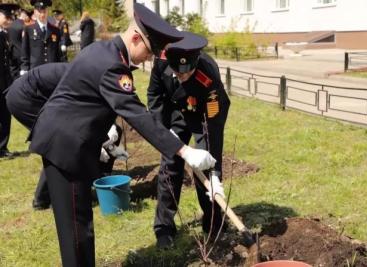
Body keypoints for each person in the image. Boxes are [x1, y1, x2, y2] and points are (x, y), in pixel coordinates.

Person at [28, 4, 216, 266]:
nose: (148, 59)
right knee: (76, 231)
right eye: (149, 51)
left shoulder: (103, 51)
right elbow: (138, 115)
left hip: (70, 142)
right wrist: (184, 151)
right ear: (136, 38)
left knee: (80, 225)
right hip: (66, 147)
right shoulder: (113, 66)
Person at [147, 31, 230, 248]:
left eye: (188, 72)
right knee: (169, 166)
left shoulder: (208, 74)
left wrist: (215, 174)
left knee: (205, 165)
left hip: (202, 115)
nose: (182, 75)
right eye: (178, 72)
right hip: (173, 115)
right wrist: (163, 133)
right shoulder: (162, 62)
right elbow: (154, 97)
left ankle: (213, 224)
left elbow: (213, 126)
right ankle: (164, 228)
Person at [5, 62, 127, 210]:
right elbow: (80, 114)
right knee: (60, 142)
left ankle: (97, 182)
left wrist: (109, 134)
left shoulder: (94, 78)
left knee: (69, 140)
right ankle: (43, 199)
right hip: (25, 97)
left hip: (36, 94)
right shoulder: (86, 79)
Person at [20, 0, 61, 74]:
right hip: (35, 70)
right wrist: (25, 68)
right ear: (35, 12)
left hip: (51, 70)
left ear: (47, 11)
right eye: (39, 11)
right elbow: (25, 51)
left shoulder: (55, 30)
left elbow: (58, 52)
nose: (42, 14)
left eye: (44, 11)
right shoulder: (29, 29)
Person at [0, 3, 19, 158]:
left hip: (5, 83)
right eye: (6, 17)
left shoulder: (4, 34)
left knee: (5, 115)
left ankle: (2, 147)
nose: (9, 20)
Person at [8, 8, 31, 80]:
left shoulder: (11, 25)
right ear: (23, 14)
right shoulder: (24, 26)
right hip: (22, 55)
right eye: (27, 15)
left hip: (12, 53)